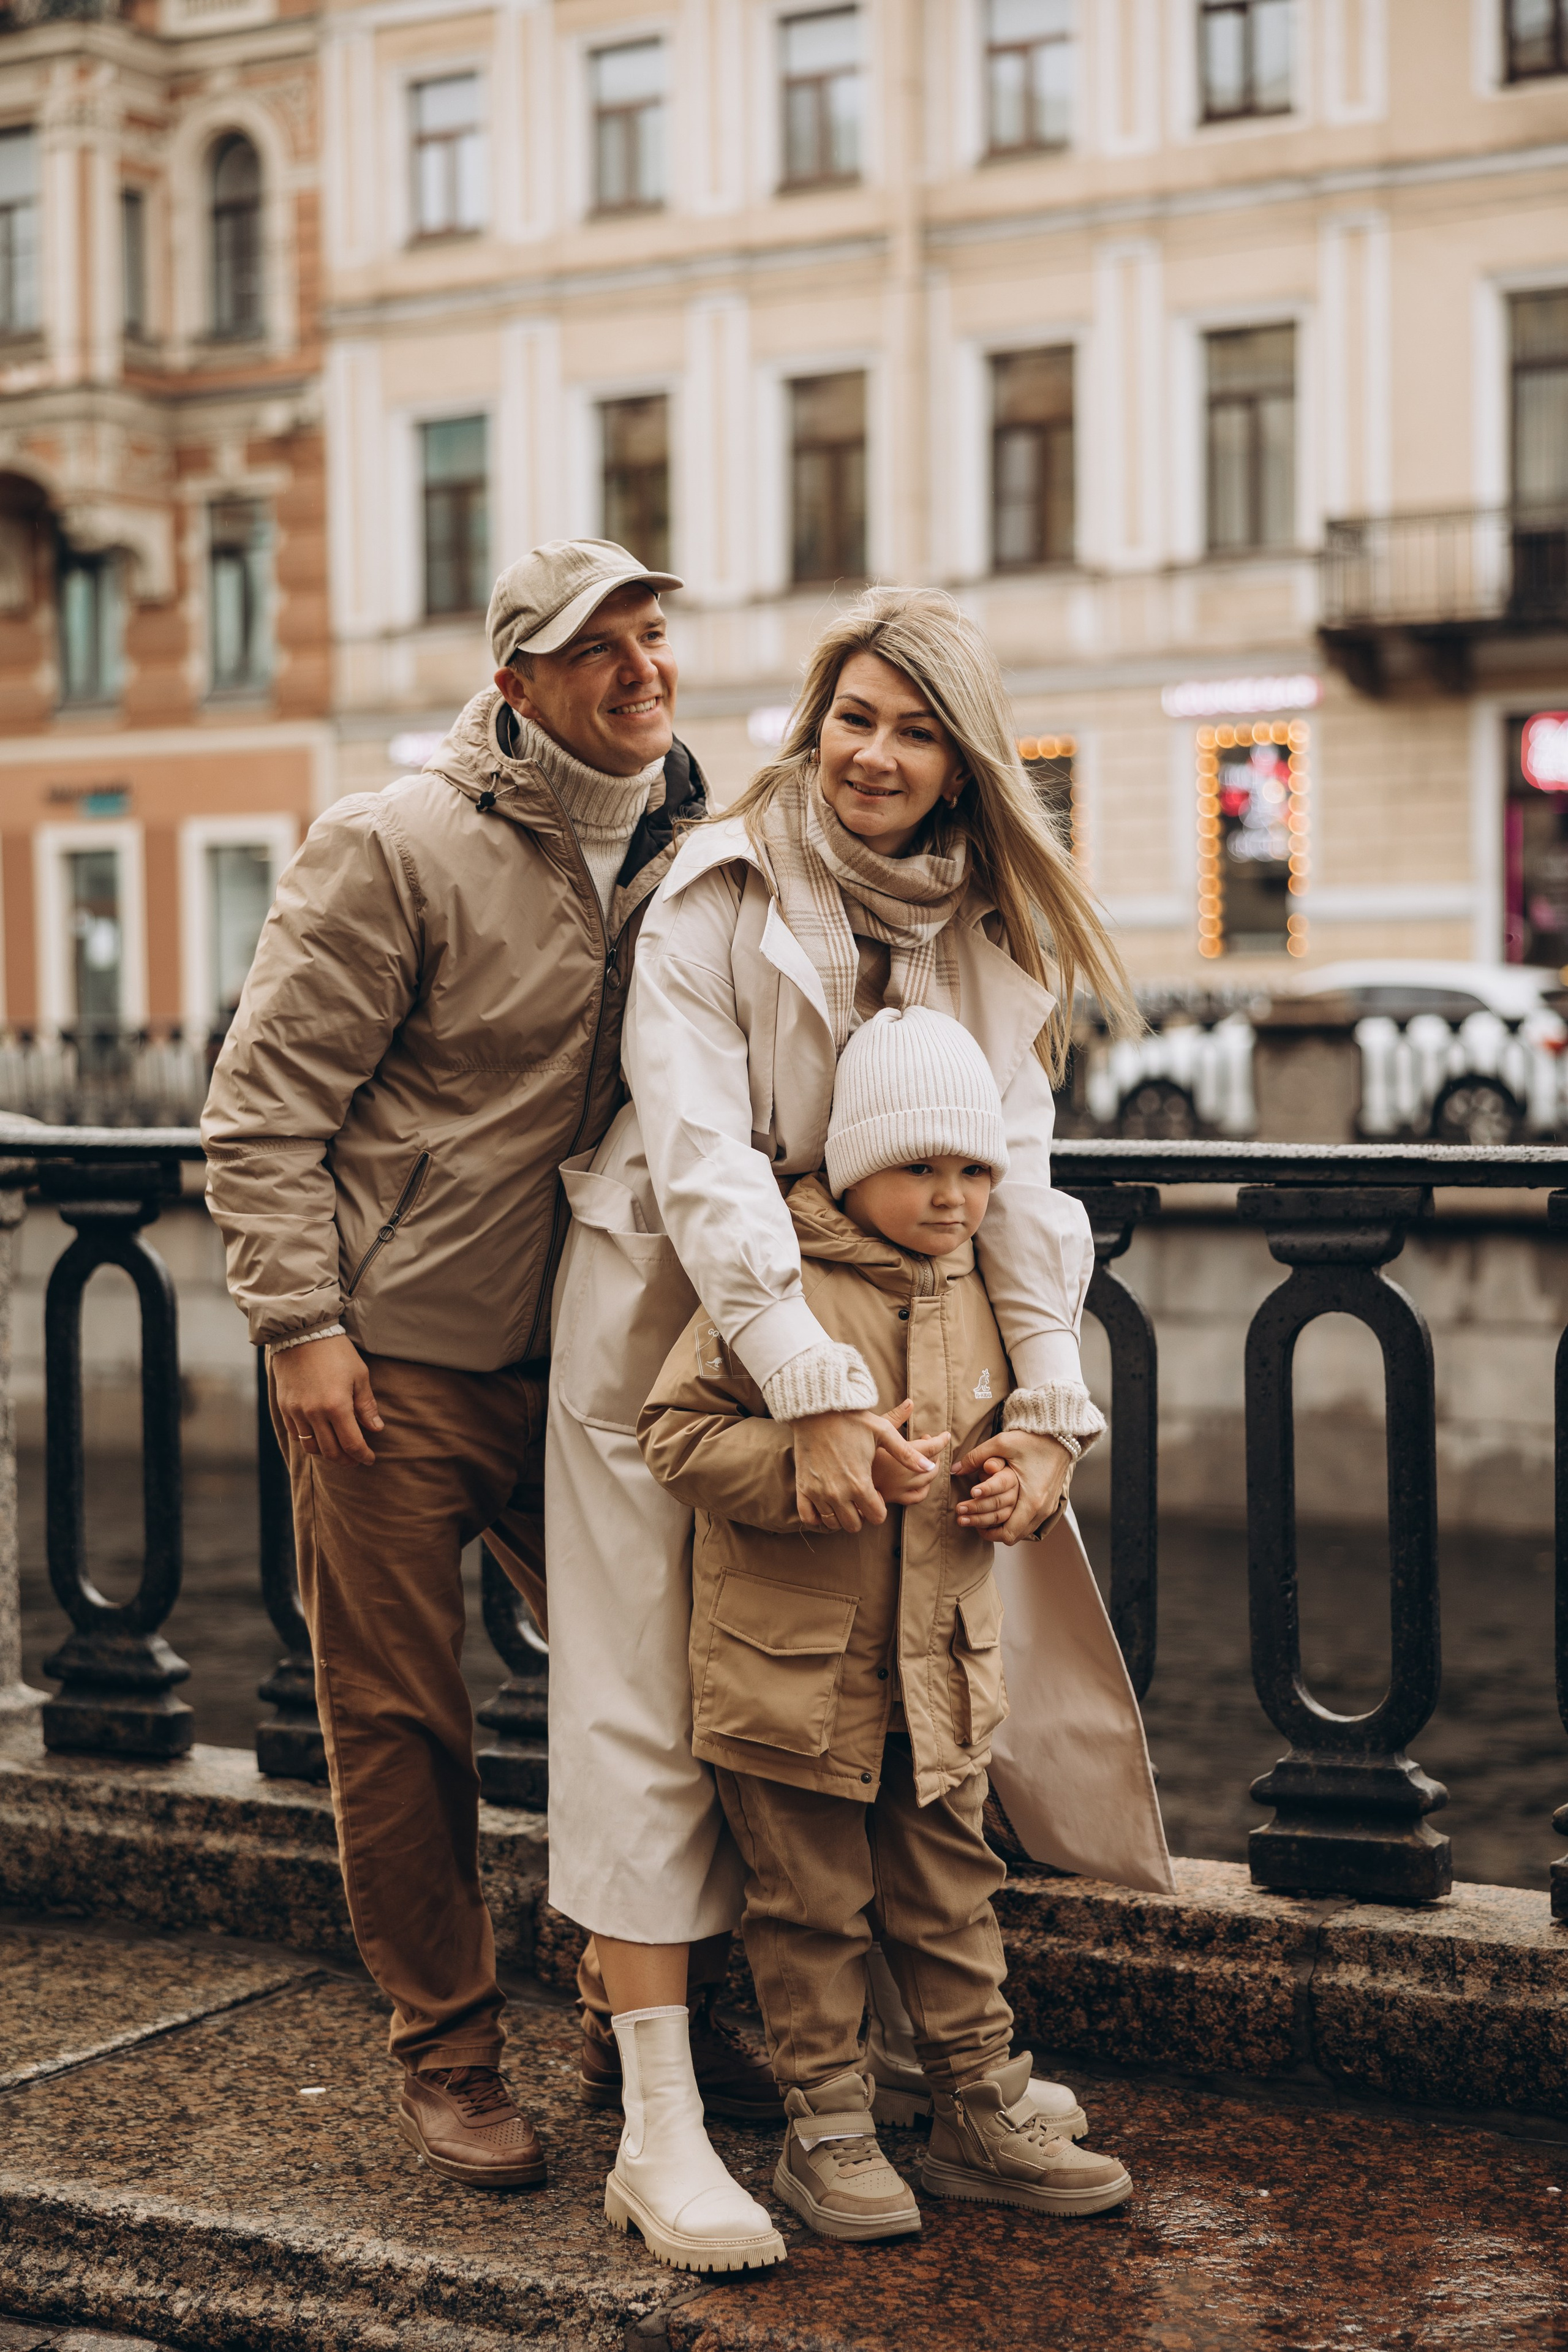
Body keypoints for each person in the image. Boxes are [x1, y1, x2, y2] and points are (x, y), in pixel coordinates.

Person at [544, 586, 1171, 2264]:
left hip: (900, 1343)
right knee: (654, 1723)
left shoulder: (983, 932)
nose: (876, 755)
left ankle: (925, 2078)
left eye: (914, 730)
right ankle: (665, 2124)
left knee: (903, 1725)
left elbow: (1018, 1187)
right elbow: (703, 1157)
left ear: (964, 766)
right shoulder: (718, 886)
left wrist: (1050, 1412)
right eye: (854, 717)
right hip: (676, 1323)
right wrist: (807, 1386)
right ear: (815, 720)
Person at [200, 538, 777, 2192]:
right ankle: (448, 2051)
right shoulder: (393, 845)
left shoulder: (694, 851)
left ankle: (635, 2010)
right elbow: (263, 1114)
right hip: (389, 1363)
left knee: (659, 1696)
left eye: (655, 638)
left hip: (597, 1368)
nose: (640, 670)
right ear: (515, 681)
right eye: (598, 647)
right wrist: (302, 1331)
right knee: (401, 1722)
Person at [637, 1006, 1137, 2238]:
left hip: (940, 1673)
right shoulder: (780, 1293)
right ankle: (829, 2128)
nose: (953, 1196)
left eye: (974, 1170)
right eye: (920, 1167)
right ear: (854, 1167)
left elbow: (1039, 1427)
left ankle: (977, 2100)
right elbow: (674, 1436)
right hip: (791, 1680)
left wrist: (1020, 1481)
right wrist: (808, 1471)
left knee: (952, 1889)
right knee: (808, 1904)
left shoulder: (987, 1294)